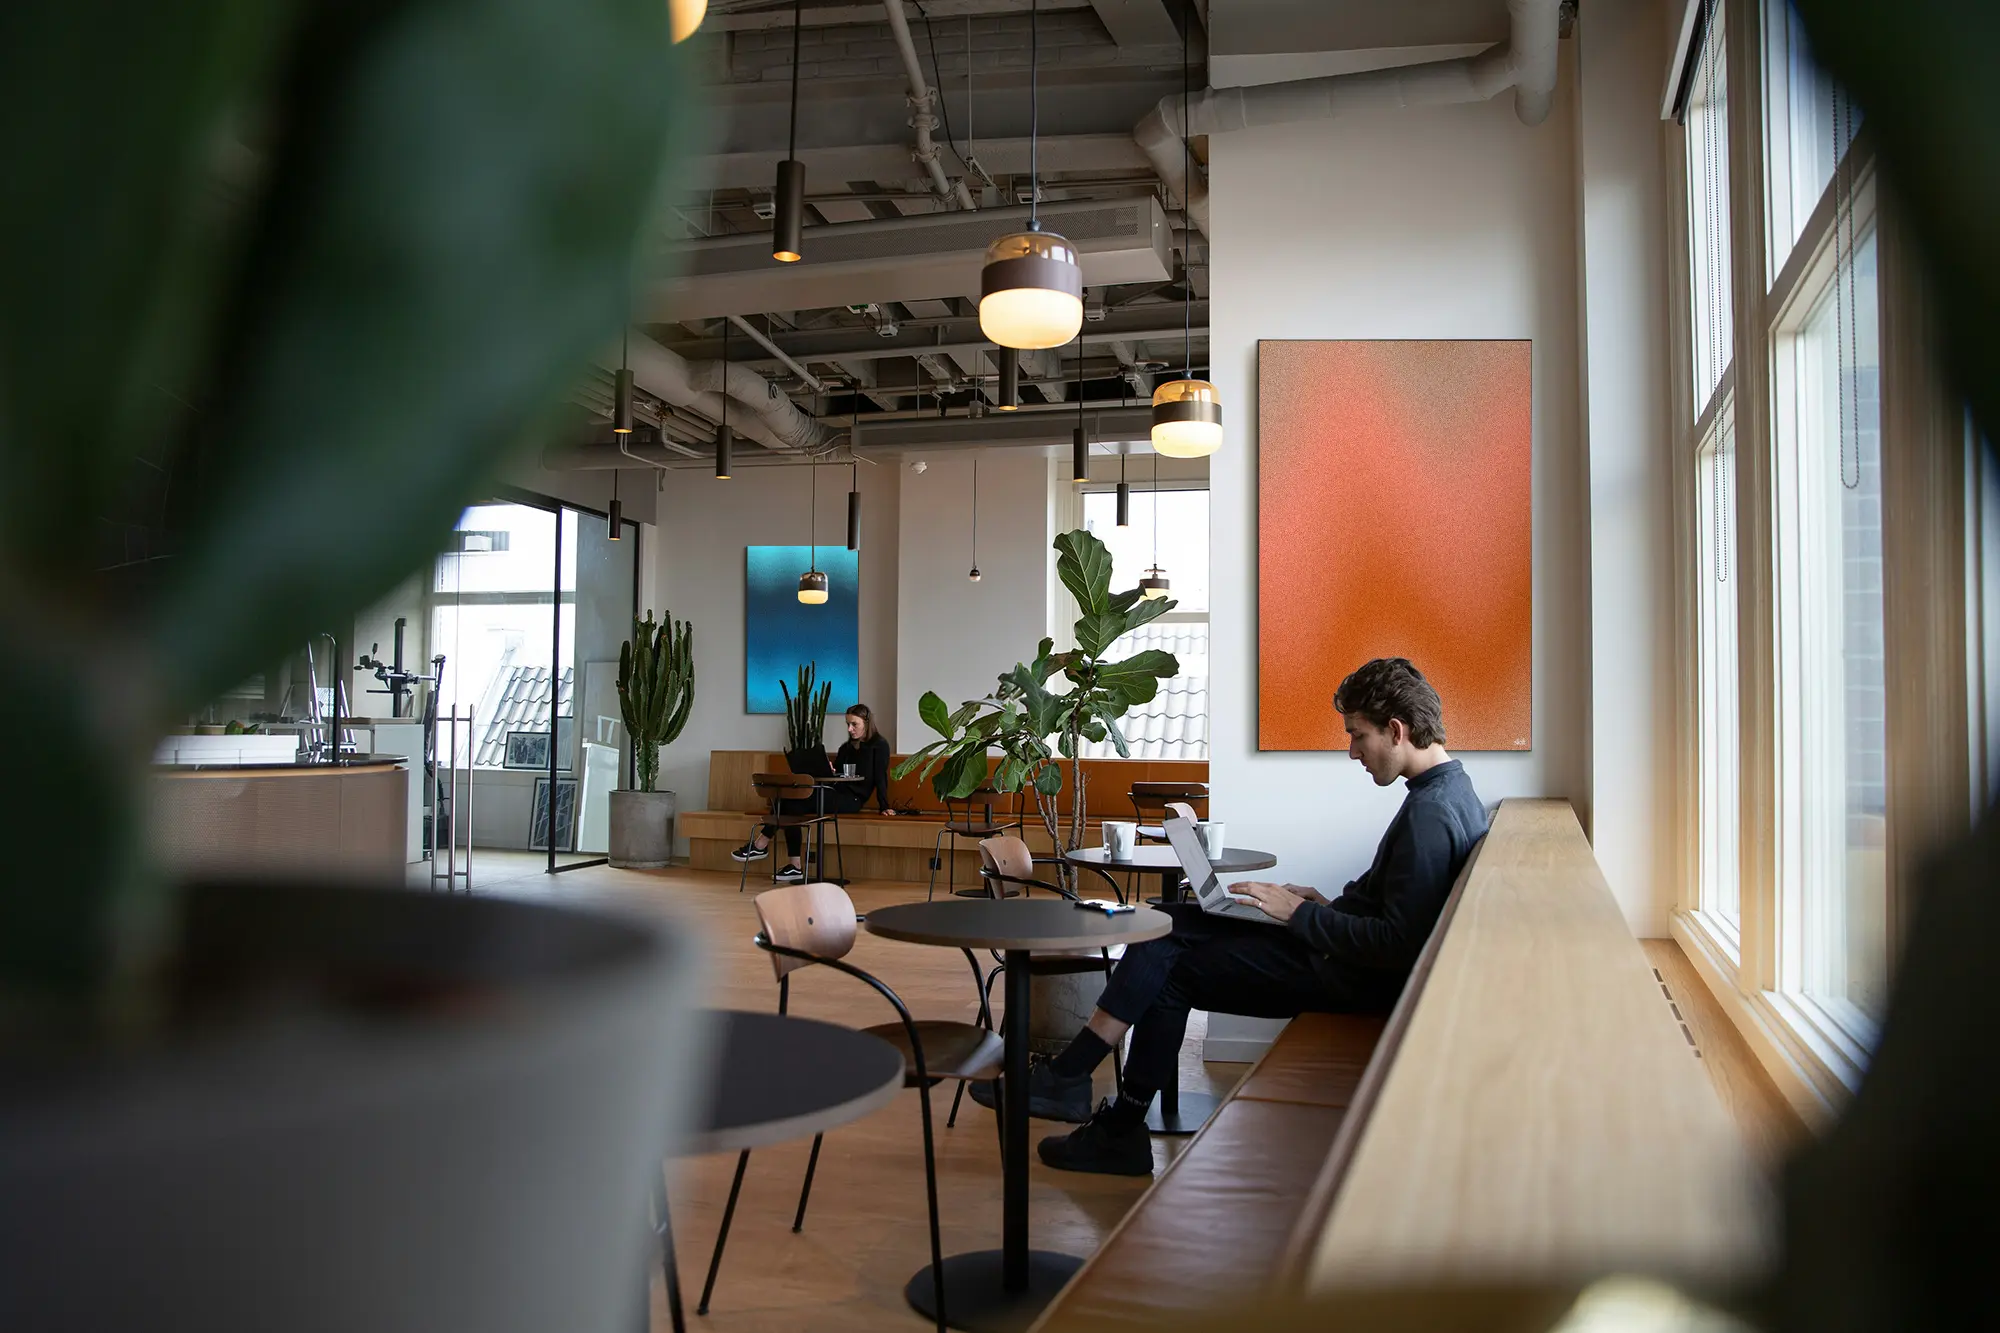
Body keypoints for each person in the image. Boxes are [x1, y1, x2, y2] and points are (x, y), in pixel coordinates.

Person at [982, 657, 1488, 1176]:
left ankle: (1091, 1099)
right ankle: (1091, 1101)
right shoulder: (1450, 792)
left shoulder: (1429, 814)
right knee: (1167, 920)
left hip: (1345, 976)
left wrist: (1298, 914)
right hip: (1337, 956)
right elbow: (1397, 913)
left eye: (1358, 735)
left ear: (1397, 730)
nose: (1353, 751)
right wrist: (1324, 906)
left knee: (1168, 963)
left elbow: (1398, 945)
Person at [732, 703, 897, 884]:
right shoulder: (846, 747)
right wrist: (830, 770)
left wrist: (884, 806)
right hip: (834, 792)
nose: (850, 729)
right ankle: (792, 865)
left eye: (854, 724)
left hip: (853, 799)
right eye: (848, 724)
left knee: (790, 803)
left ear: (866, 722)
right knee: (789, 802)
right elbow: (836, 776)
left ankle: (761, 846)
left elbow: (881, 776)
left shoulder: (879, 746)